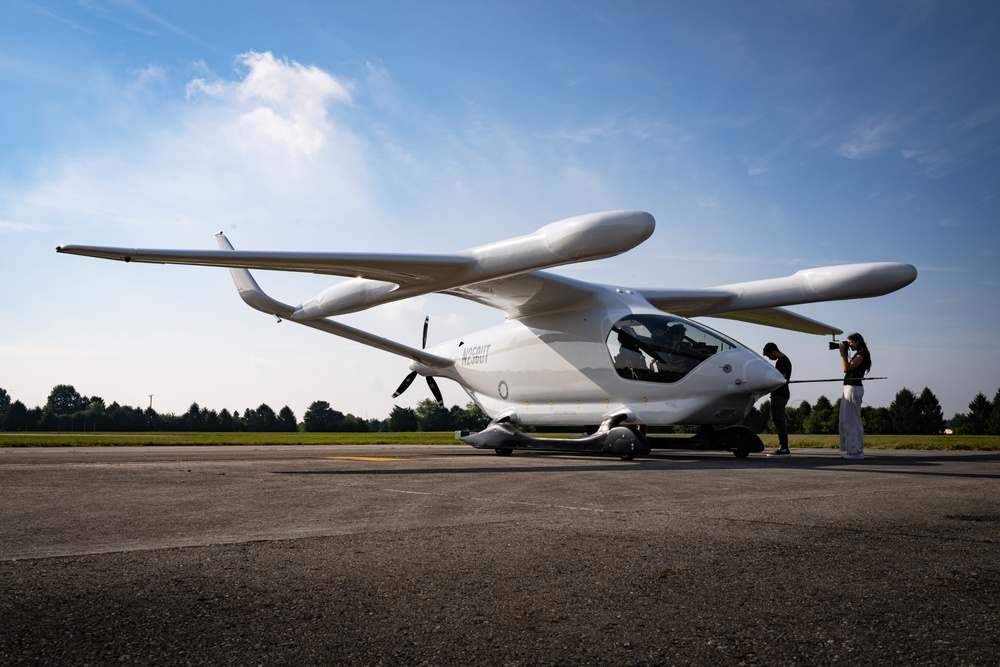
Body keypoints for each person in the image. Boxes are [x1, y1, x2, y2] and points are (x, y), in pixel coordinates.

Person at [839, 332, 871, 460]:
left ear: (858, 341)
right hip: (850, 388)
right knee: (846, 419)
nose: (849, 345)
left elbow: (846, 368)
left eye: (850, 342)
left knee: (852, 421)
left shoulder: (861, 354)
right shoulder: (859, 353)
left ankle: (856, 452)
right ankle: (852, 450)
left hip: (853, 388)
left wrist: (843, 354)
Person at [762, 342, 792, 457]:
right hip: (782, 394)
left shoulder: (782, 361)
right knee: (779, 421)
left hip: (779, 395)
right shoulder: (784, 360)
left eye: (770, 356)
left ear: (774, 351)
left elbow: (780, 378)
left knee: (779, 421)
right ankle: (783, 447)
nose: (770, 358)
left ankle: (784, 448)